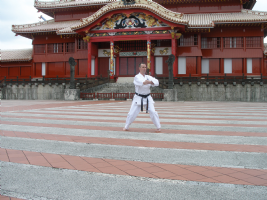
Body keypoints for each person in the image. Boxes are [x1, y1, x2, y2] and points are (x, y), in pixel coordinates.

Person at [123, 63, 161, 132]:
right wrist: (151, 82)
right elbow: (143, 82)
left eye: (145, 67)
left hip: (147, 97)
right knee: (132, 113)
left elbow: (157, 82)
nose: (144, 69)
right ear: (139, 68)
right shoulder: (137, 77)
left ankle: (158, 127)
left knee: (153, 111)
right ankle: (126, 126)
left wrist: (149, 82)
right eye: (143, 67)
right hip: (138, 97)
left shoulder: (148, 77)